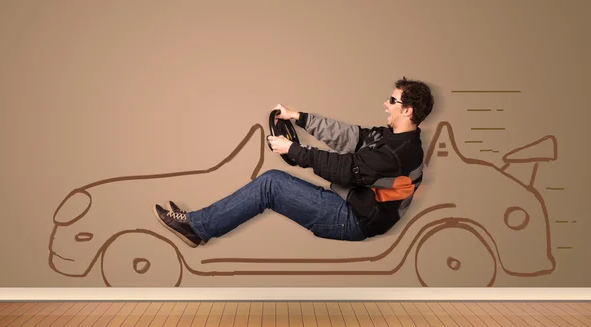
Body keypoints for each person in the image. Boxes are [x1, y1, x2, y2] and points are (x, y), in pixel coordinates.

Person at [153, 77, 434, 247]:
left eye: (392, 100)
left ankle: (196, 227)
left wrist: (294, 149)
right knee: (274, 181)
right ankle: (200, 224)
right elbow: (349, 136)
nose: (386, 104)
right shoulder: (390, 138)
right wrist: (298, 117)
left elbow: (347, 170)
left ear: (407, 110)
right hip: (353, 206)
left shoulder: (400, 153)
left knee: (271, 184)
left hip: (355, 219)